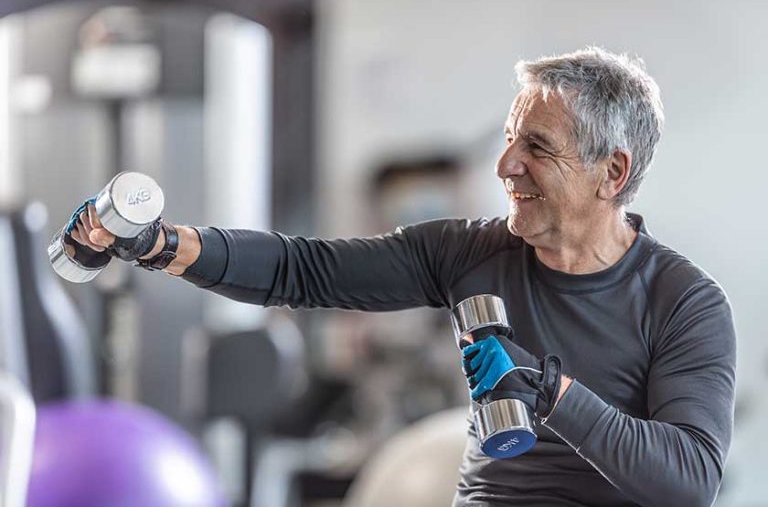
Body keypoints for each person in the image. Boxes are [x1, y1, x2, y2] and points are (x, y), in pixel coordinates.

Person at [68, 47, 736, 506]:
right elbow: (303, 270)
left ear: (612, 173)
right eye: (510, 136)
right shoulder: (468, 253)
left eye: (537, 147)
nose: (505, 164)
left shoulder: (685, 303)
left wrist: (550, 392)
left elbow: (688, 480)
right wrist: (158, 244)